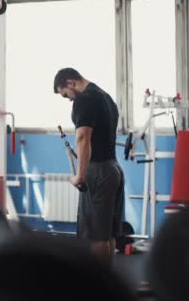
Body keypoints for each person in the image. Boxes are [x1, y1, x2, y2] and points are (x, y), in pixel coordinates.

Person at [53, 67, 125, 266]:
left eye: (66, 95)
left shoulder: (84, 99)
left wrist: (80, 175)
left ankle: (98, 288)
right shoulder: (106, 98)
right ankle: (106, 285)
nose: (68, 99)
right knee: (107, 234)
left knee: (95, 236)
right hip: (114, 168)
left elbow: (83, 137)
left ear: (70, 82)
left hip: (99, 171)